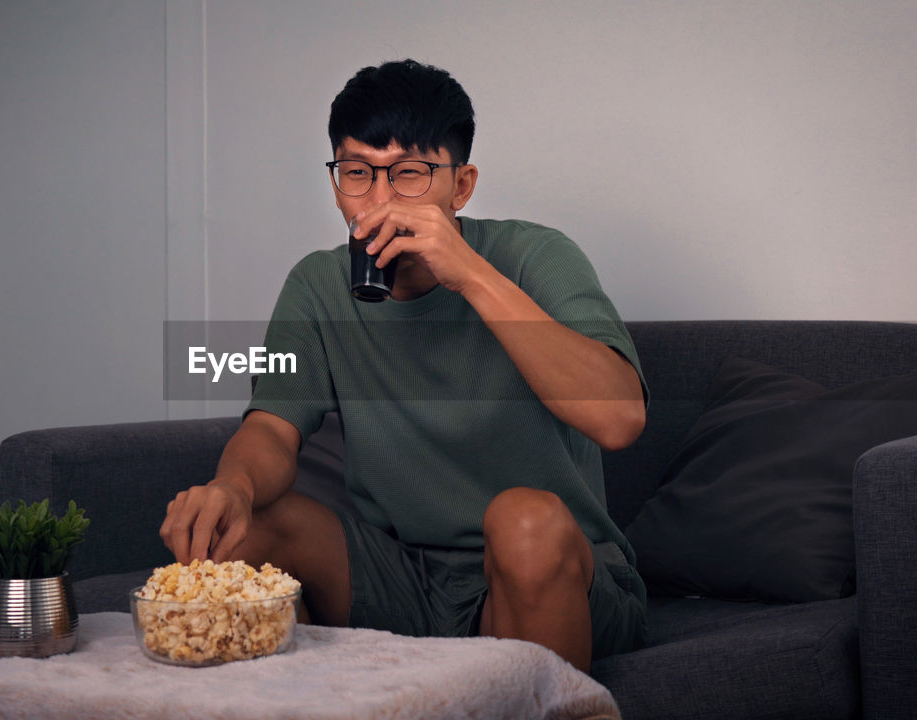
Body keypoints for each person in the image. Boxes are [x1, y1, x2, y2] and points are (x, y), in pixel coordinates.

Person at [160, 59, 648, 670]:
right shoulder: (318, 285)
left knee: (524, 520)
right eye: (357, 173)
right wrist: (231, 487)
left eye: (410, 174)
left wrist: (468, 273)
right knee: (246, 526)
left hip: (548, 572)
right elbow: (271, 428)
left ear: (461, 185)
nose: (381, 200)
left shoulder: (534, 256)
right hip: (401, 574)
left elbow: (620, 419)